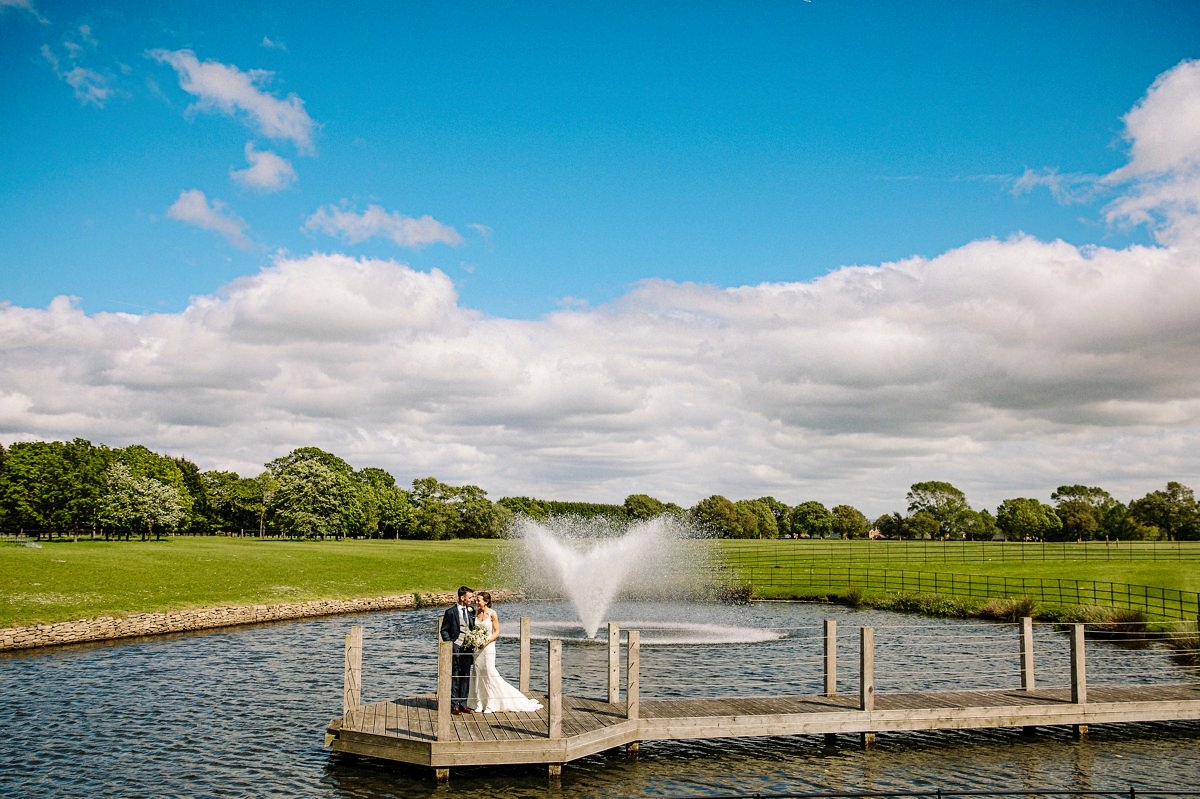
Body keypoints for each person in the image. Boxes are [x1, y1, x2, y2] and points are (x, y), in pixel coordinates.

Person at [467, 591, 543, 714]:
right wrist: (474, 639)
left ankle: (491, 704)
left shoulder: (492, 614)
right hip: (477, 648)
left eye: (479, 600)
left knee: (489, 673)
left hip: (488, 647)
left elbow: (497, 632)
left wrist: (486, 641)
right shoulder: (475, 613)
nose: (476, 602)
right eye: (476, 600)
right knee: (477, 673)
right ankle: (479, 703)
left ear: (486, 602)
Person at [439, 586, 476, 715]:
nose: (471, 599)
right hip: (456, 647)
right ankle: (454, 705)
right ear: (462, 598)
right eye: (469, 597)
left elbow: (473, 628)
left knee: (465, 675)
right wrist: (451, 644)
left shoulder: (471, 611)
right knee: (455, 675)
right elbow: (444, 630)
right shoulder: (450, 612)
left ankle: (463, 703)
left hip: (468, 648)